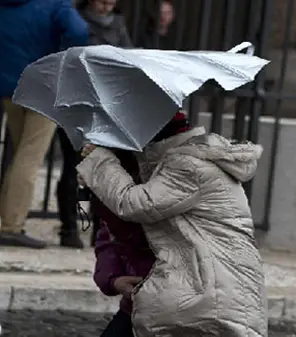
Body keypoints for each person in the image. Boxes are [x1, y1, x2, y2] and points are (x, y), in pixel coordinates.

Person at [77, 112, 267, 337]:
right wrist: (113, 278)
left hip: (206, 301)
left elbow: (132, 205)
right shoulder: (145, 167)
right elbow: (112, 231)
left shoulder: (188, 166)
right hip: (168, 296)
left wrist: (99, 163)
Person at [0, 0, 88, 249]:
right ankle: (11, 226)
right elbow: (78, 30)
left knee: (19, 155)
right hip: (44, 86)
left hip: (9, 86)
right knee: (29, 157)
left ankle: (8, 219)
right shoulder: (54, 4)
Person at [54, 0, 134, 249]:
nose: (107, 5)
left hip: (107, 105)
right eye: (102, 0)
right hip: (76, 103)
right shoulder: (76, 22)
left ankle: (100, 229)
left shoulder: (119, 25)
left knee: (103, 169)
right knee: (72, 165)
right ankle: (69, 229)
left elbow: (128, 57)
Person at [92, 149, 154, 337]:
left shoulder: (175, 176)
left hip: (184, 305)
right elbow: (110, 237)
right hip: (140, 303)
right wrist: (114, 279)